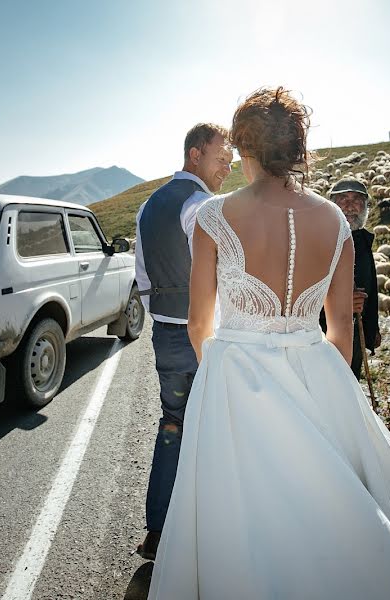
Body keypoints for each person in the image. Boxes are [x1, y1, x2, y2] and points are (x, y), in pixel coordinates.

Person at [147, 88, 390, 599]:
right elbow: (341, 334)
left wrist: (218, 373)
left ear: (246, 146)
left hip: (235, 379)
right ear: (296, 148)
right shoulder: (335, 220)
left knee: (245, 522)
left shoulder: (214, 216)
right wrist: (320, 385)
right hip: (321, 374)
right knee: (344, 508)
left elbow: (200, 322)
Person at [133, 123, 233, 560]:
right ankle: (205, 538)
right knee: (215, 429)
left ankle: (158, 531)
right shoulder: (202, 205)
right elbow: (218, 273)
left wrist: (161, 313)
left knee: (172, 426)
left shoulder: (147, 207)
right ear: (195, 155)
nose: (227, 168)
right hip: (202, 335)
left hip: (164, 337)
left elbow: (140, 277)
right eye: (220, 159)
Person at [320, 177, 381, 382]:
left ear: (365, 206)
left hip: (356, 332)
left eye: (356, 199)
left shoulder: (363, 240)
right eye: (343, 199)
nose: (350, 205)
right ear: (331, 204)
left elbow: (371, 288)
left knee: (350, 382)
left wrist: (373, 328)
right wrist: (341, 303)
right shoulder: (321, 239)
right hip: (324, 334)